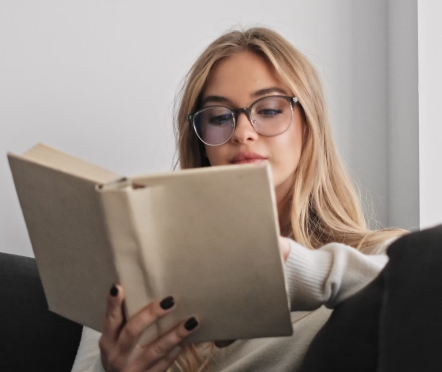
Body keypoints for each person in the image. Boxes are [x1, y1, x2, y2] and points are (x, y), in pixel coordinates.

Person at [71, 28, 405, 372]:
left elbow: (441, 294)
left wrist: (293, 268)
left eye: (271, 109)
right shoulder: (136, 278)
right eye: (218, 117)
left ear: (310, 124)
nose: (244, 131)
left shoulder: (376, 260)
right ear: (202, 143)